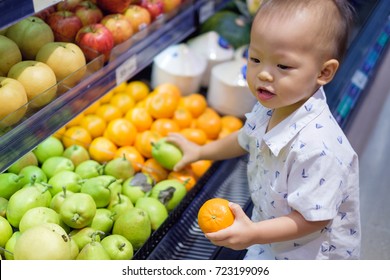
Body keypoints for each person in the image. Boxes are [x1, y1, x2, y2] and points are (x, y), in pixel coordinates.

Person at [167, 0, 360, 260]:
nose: (264, 75)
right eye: (255, 58)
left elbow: (313, 219)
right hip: (270, 233)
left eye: (283, 66)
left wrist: (254, 233)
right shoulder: (270, 106)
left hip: (307, 253)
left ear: (324, 72)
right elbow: (245, 139)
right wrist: (201, 150)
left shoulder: (318, 148)